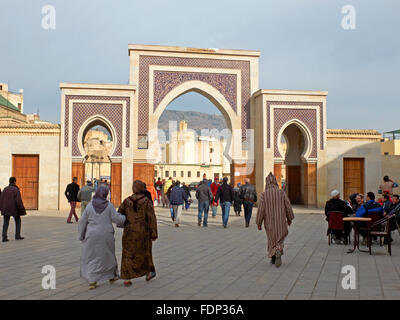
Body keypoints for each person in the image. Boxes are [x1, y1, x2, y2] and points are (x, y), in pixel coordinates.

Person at [78, 186, 126, 289]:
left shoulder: (89, 206)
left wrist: (81, 235)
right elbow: (116, 219)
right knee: (108, 255)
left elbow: (82, 221)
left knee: (92, 257)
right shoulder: (109, 206)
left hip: (91, 235)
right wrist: (124, 218)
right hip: (106, 235)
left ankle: (92, 281)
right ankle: (112, 276)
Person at [118, 180, 158, 287]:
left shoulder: (127, 201)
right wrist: (154, 233)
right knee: (145, 253)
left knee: (127, 254)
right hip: (143, 232)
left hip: (129, 231)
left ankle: (127, 278)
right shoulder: (146, 201)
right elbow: (151, 218)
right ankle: (148, 273)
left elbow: (120, 213)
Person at [256, 172, 294, 268]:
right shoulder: (281, 193)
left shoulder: (264, 195)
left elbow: (261, 210)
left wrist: (259, 222)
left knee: (272, 239)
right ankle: (278, 249)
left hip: (269, 223)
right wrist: (289, 218)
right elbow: (288, 206)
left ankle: (274, 255)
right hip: (281, 221)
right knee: (280, 238)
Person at [0, 177, 26, 242]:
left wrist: (2, 208)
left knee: (6, 222)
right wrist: (22, 209)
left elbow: (1, 199)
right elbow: (18, 201)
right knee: (18, 220)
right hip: (14, 209)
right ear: (14, 181)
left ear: (9, 181)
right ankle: (17, 235)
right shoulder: (16, 189)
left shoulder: (5, 189)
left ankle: (4, 237)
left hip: (5, 208)